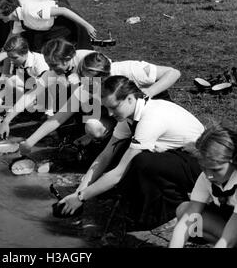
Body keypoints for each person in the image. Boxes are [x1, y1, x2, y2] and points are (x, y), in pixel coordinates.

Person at [56, 75, 204, 229]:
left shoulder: (150, 119)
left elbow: (119, 172)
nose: (110, 113)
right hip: (175, 157)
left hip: (199, 165)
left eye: (114, 107)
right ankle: (145, 201)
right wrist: (79, 191)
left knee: (141, 161)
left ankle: (169, 209)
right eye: (107, 108)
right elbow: (105, 155)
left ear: (130, 99)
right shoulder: (130, 116)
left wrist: (81, 198)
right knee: (122, 152)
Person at [18, 41, 181, 153]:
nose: (88, 88)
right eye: (84, 82)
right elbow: (58, 118)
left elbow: (173, 73)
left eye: (91, 83)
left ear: (104, 76)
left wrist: (149, 92)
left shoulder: (128, 70)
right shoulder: (85, 88)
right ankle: (116, 141)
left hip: (155, 107)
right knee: (92, 126)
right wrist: (30, 142)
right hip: (125, 118)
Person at [169, 124, 237, 248]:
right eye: (203, 168)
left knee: (228, 240)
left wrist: (226, 242)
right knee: (184, 210)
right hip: (229, 225)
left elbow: (230, 236)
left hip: (235, 225)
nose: (209, 176)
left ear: (234, 160)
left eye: (216, 170)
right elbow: (189, 217)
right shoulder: (206, 177)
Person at [0, 0, 95, 52]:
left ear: (7, 10)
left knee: (75, 50)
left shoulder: (29, 11)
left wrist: (87, 25)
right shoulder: (18, 22)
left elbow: (63, 11)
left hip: (62, 22)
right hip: (50, 28)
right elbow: (9, 46)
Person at [0, 35, 49, 130]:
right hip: (34, 91)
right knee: (11, 82)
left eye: (14, 57)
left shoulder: (40, 63)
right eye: (10, 57)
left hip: (50, 94)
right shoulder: (20, 63)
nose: (11, 60)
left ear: (25, 53)